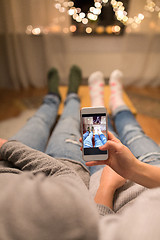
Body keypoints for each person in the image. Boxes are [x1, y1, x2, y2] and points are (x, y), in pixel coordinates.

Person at [0, 67, 160, 240]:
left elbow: (97, 227)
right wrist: (134, 168)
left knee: (84, 129)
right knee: (133, 131)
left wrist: (109, 185)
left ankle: (72, 97)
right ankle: (114, 100)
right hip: (151, 166)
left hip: (107, 179)